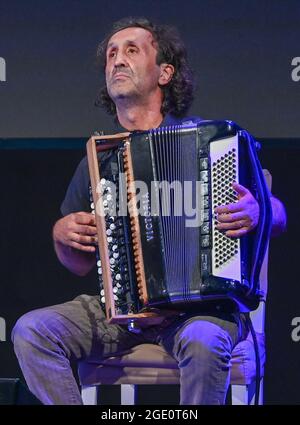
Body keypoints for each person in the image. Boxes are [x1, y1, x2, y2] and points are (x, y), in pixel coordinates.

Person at [11, 17, 287, 405]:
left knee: (206, 340)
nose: (116, 61)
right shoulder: (98, 159)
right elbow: (77, 265)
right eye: (111, 54)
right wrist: (62, 235)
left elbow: (278, 214)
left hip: (199, 313)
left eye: (131, 50)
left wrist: (259, 212)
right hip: (120, 316)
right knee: (31, 330)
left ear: (164, 72)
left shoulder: (211, 145)